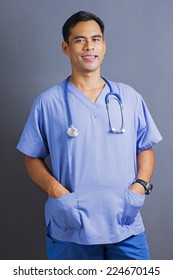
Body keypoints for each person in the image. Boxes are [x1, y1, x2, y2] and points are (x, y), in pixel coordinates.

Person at [17, 10, 162, 260]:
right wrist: (56, 191)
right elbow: (32, 157)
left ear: (104, 45)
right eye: (79, 40)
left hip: (124, 222)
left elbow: (145, 147)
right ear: (66, 47)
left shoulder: (129, 97)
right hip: (71, 226)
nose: (89, 47)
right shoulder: (48, 103)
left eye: (96, 39)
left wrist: (139, 187)